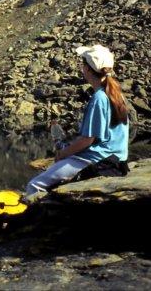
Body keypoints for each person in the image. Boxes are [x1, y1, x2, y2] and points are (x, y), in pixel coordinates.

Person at [25, 44, 130, 198]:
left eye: (83, 64)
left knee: (34, 185)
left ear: (87, 69)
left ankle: (36, 220)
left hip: (101, 160)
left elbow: (87, 140)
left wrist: (63, 153)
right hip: (118, 158)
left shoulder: (98, 99)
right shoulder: (116, 93)